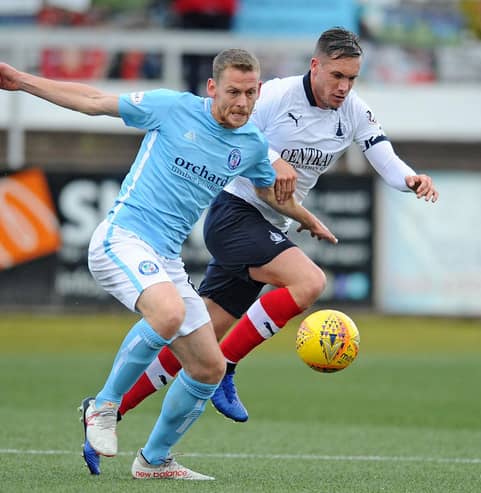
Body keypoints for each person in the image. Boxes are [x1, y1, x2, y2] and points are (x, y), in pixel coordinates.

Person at [0, 49, 336, 480]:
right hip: (122, 237)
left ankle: (154, 460)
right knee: (169, 312)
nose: (243, 103)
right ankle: (103, 406)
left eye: (251, 93)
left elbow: (270, 192)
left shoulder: (251, 142)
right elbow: (93, 101)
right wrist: (21, 80)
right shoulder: (172, 107)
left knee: (209, 367)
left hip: (166, 260)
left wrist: (308, 220)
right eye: (233, 92)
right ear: (212, 87)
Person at [112, 26, 439, 432]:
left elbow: (384, 157)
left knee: (197, 339)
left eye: (352, 78)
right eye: (337, 76)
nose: (344, 87)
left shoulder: (354, 110)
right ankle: (226, 369)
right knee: (309, 282)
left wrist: (409, 179)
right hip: (234, 212)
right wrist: (270, 158)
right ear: (315, 66)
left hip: (270, 222)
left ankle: (111, 410)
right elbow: (234, 130)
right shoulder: (275, 96)